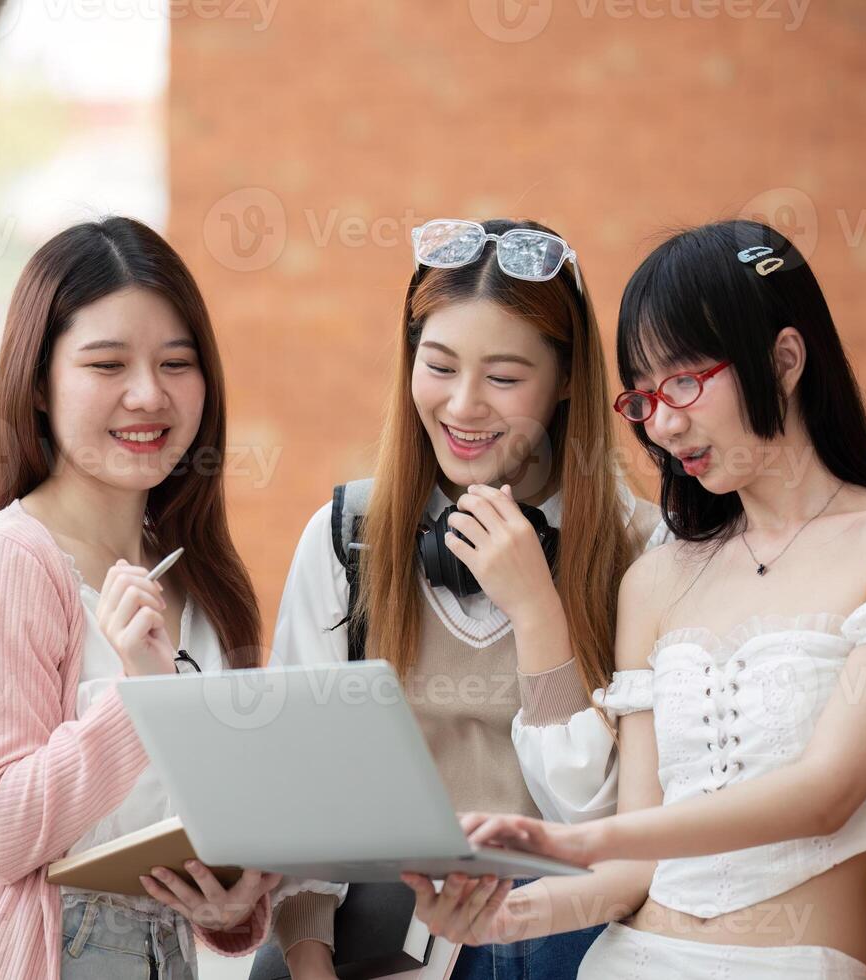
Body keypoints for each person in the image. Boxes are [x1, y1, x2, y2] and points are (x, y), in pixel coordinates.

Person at [402, 220, 866, 980]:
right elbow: (635, 868)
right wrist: (494, 916)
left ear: (786, 359)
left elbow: (827, 794)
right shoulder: (660, 578)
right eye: (643, 397)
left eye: (683, 383)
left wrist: (576, 843)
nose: (664, 425)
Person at [0, 217, 307, 980]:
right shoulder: (6, 565)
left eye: (176, 363)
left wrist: (231, 906)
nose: (148, 394)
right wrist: (142, 694)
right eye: (107, 364)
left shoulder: (204, 580)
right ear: (40, 386)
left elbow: (205, 824)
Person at [268, 218, 666, 980]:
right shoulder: (346, 538)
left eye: (506, 378)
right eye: (439, 365)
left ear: (570, 379)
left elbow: (599, 823)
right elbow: (303, 805)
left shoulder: (644, 551)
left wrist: (538, 610)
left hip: (550, 950)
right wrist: (310, 968)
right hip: (370, 956)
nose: (463, 405)